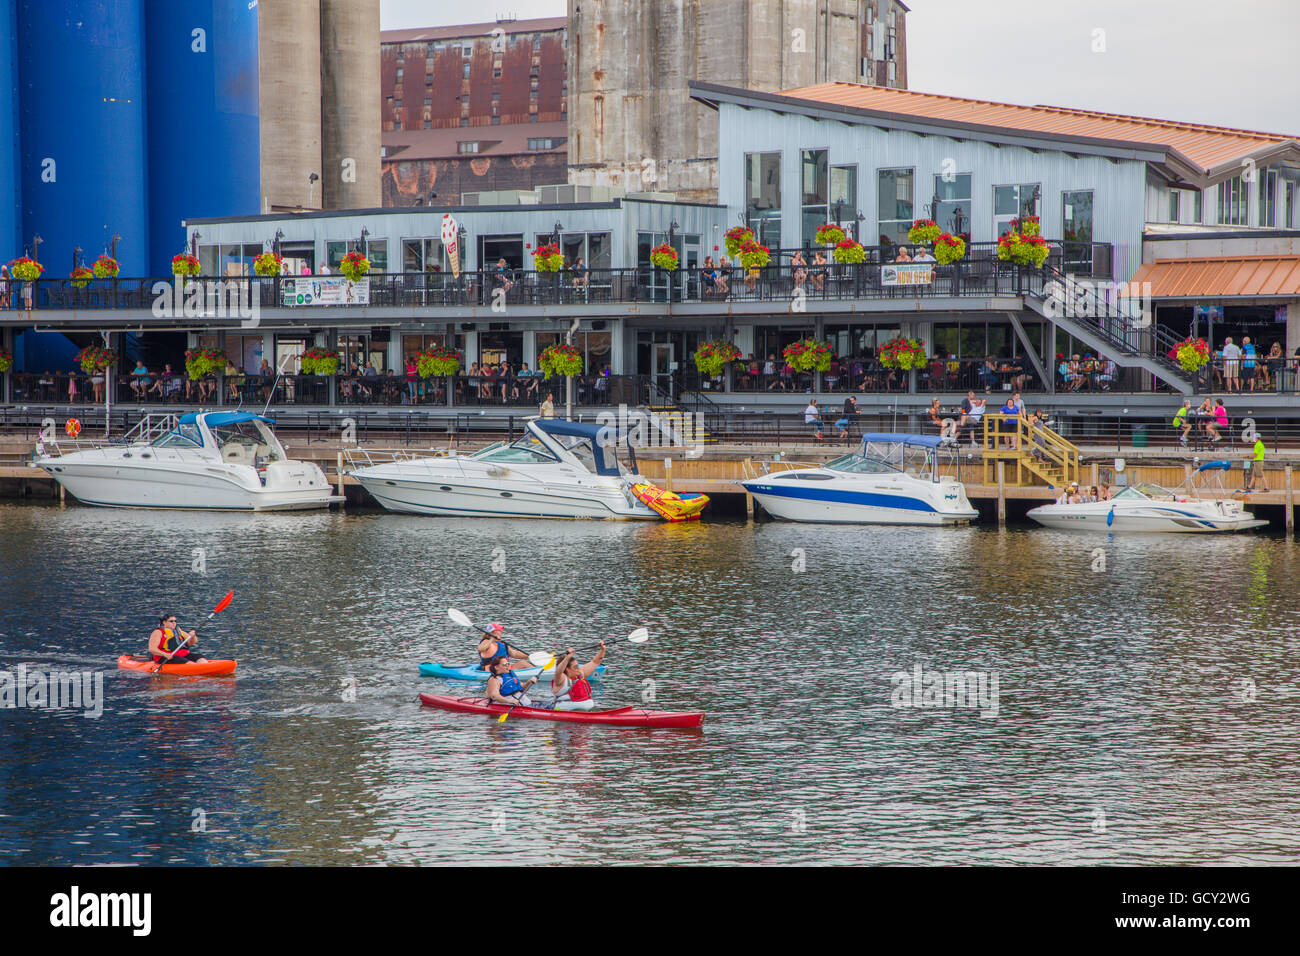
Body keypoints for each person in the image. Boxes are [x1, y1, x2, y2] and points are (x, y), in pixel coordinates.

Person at [549, 642, 606, 712]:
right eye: (575, 667)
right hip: (567, 711)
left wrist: (602, 650)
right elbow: (558, 671)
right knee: (581, 711)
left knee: (596, 710)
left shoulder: (580, 674)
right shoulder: (560, 679)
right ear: (567, 669)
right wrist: (567, 658)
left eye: (578, 666)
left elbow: (595, 662)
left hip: (587, 710)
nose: (578, 668)